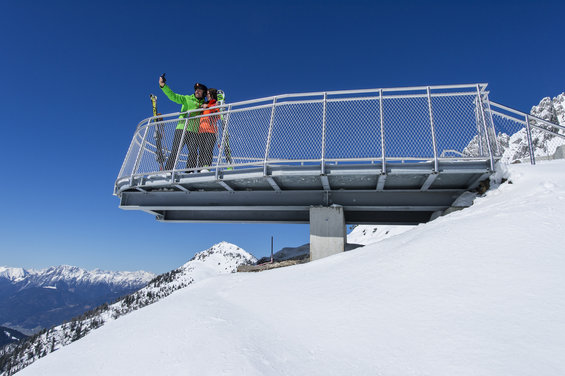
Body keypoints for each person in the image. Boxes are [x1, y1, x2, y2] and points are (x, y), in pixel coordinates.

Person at [159, 75, 207, 171]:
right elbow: (173, 96)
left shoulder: (204, 104)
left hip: (194, 131)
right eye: (196, 89)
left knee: (193, 152)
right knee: (176, 151)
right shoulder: (186, 98)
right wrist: (163, 85)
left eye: (200, 90)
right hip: (182, 128)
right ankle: (168, 171)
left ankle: (189, 172)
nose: (197, 91)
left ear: (204, 93)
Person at [198, 88, 221, 170]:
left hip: (211, 131)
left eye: (209, 94)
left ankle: (206, 167)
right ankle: (200, 168)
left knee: (208, 149)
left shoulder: (215, 104)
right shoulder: (204, 104)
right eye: (207, 94)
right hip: (201, 131)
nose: (207, 95)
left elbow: (218, 114)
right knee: (201, 151)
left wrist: (207, 106)